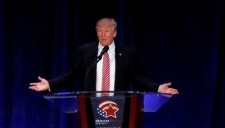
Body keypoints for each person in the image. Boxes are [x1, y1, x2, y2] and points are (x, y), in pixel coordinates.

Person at [29, 17, 179, 94]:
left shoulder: (126, 53)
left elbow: (136, 79)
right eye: (99, 30)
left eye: (107, 30)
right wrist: (50, 84)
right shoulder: (86, 51)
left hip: (117, 107)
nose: (103, 34)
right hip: (91, 105)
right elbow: (72, 74)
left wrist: (158, 88)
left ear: (114, 33)